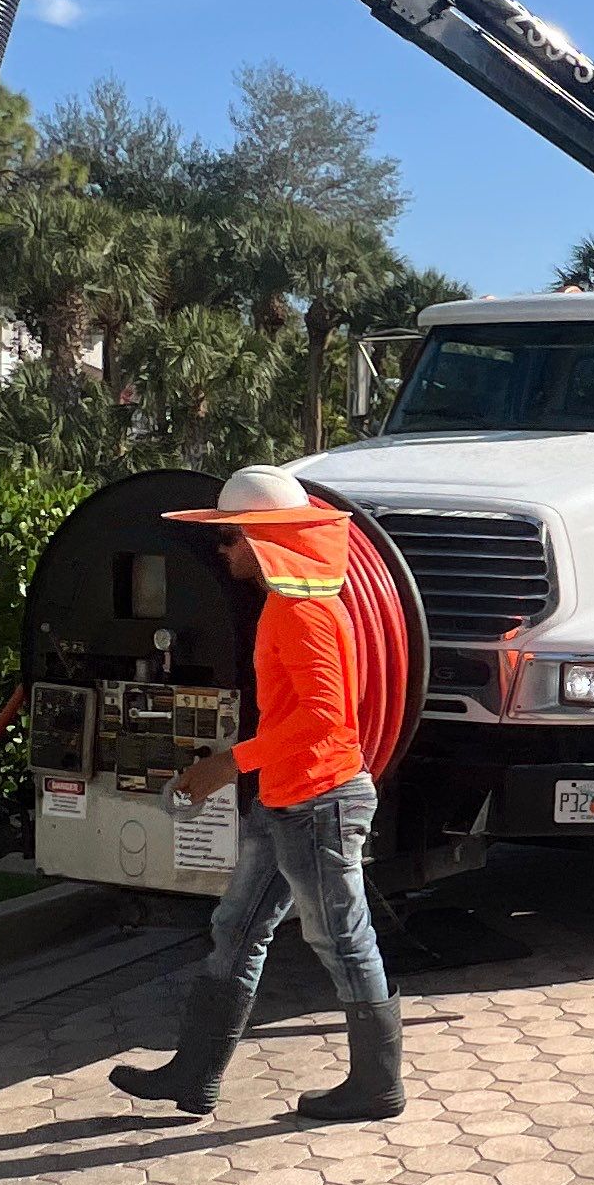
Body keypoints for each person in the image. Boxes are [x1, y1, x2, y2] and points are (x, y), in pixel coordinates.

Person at [110, 463, 405, 1123]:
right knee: (236, 929)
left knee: (343, 939)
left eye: (234, 538)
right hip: (288, 801)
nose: (225, 550)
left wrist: (227, 764)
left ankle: (378, 1086)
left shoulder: (303, 612)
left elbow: (326, 719)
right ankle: (195, 1076)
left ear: (267, 540)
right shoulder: (291, 603)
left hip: (320, 803)